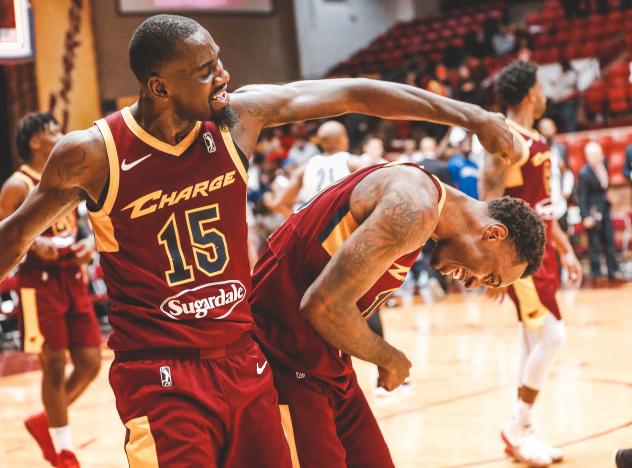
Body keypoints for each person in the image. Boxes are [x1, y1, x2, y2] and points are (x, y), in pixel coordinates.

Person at [0, 14, 523, 467]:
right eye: (205, 71)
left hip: (244, 359)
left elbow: (355, 92)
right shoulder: (92, 153)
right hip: (161, 374)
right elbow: (16, 237)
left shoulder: (238, 119)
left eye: (219, 61)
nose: (223, 76)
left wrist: (473, 116)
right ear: (158, 87)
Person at [249, 160, 546, 467]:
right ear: (493, 234)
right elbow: (322, 307)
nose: (473, 284)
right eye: (490, 277)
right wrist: (389, 358)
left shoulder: (424, 209)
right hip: (285, 359)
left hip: (325, 361)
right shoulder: (414, 207)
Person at [480, 60, 583, 468]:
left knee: (532, 339)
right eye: (540, 87)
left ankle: (520, 429)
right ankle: (518, 426)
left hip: (542, 249)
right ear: (530, 94)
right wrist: (490, 261)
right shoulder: (509, 138)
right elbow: (490, 202)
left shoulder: (536, 136)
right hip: (520, 256)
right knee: (552, 338)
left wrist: (566, 249)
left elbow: (542, 208)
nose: (544, 93)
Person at [0, 112, 101, 467]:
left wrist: (90, 246)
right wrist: (31, 246)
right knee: (54, 364)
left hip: (72, 278)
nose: (61, 133)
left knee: (90, 362)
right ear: (34, 141)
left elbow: (83, 223)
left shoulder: (68, 173)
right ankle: (63, 449)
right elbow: (4, 236)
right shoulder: (18, 184)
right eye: (52, 130)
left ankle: (45, 421)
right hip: (39, 283)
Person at [267, 121, 364, 211]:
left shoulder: (304, 169)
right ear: (342, 139)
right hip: (345, 226)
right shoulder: (354, 162)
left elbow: (281, 204)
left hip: (315, 226)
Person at [578, 141, 619, 282]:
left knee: (609, 240)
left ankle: (613, 270)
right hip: (592, 211)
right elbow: (582, 197)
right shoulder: (584, 173)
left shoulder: (604, 165)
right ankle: (596, 273)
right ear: (587, 157)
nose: (597, 157)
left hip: (605, 209)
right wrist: (585, 216)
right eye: (593, 155)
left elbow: (604, 187)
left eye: (598, 154)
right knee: (594, 243)